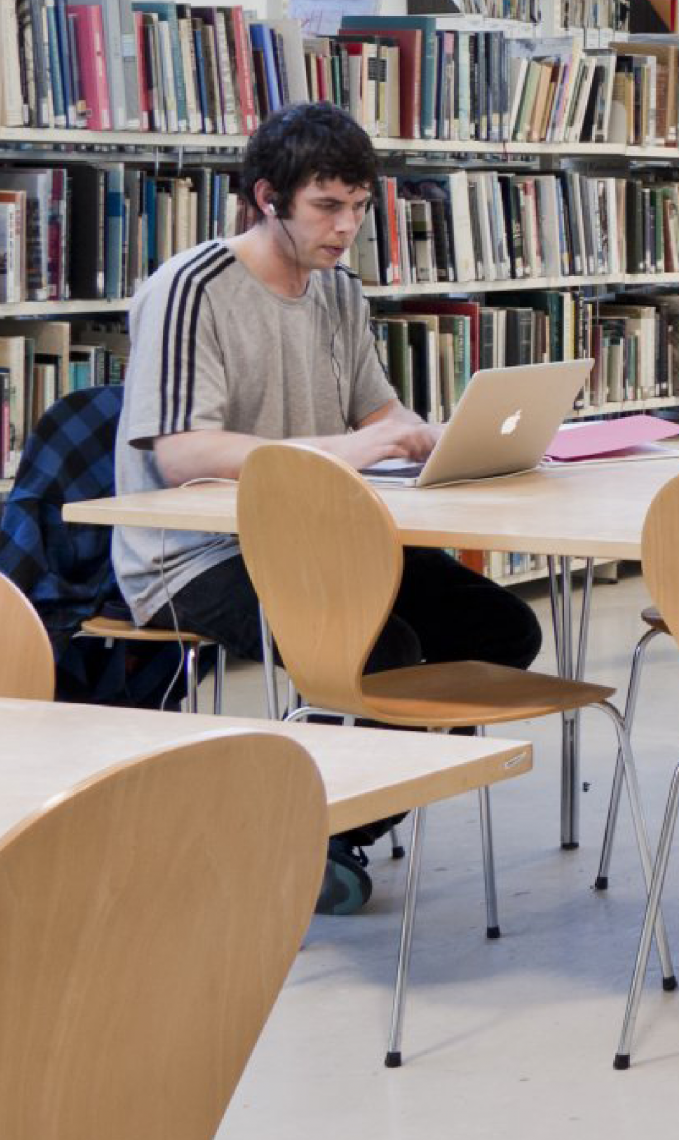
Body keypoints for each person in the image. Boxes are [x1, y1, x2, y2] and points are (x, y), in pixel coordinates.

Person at [112, 100, 542, 908]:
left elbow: (377, 413)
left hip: (321, 534)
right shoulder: (190, 289)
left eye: (358, 206)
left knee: (501, 630)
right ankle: (311, 831)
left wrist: (425, 438)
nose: (346, 228)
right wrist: (342, 452)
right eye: (326, 207)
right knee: (386, 649)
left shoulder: (337, 293)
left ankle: (320, 826)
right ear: (266, 199)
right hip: (196, 553)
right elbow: (179, 454)